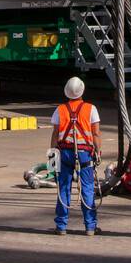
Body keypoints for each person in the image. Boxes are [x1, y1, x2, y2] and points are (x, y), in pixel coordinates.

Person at [50, 76, 102, 236]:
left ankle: (61, 226)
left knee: (63, 188)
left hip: (64, 152)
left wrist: (52, 157)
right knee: (86, 188)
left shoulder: (60, 109)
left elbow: (55, 134)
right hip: (85, 153)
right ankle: (90, 227)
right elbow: (96, 134)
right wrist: (98, 152)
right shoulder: (91, 109)